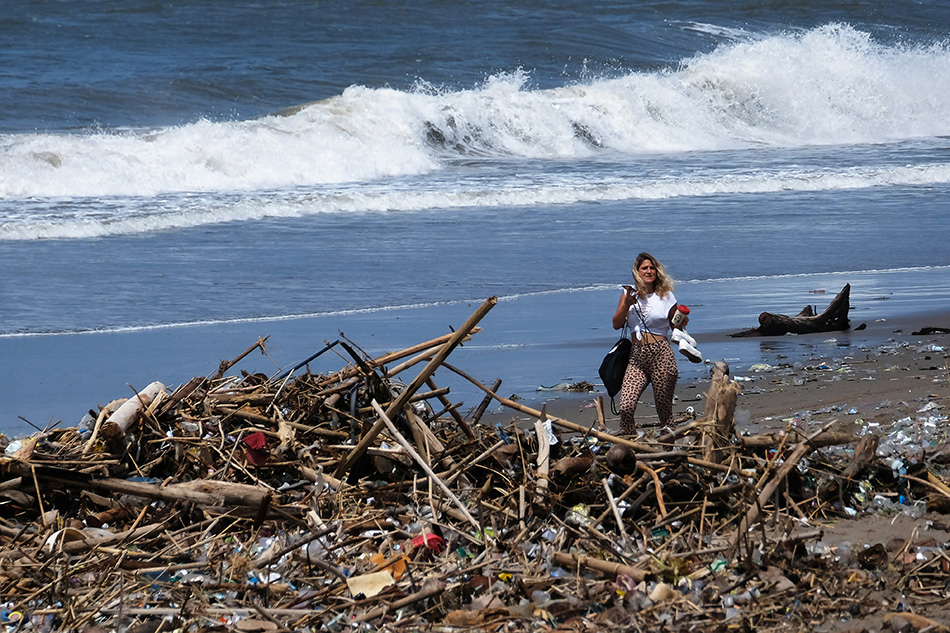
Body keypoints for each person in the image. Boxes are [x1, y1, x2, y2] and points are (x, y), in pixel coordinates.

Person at [611, 252, 686, 435]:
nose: (649, 271)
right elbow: (616, 324)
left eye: (652, 267)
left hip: (661, 355)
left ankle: (669, 454)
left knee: (664, 413)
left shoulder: (666, 296)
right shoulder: (628, 294)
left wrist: (682, 321)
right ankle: (629, 450)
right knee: (626, 406)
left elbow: (675, 324)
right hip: (637, 356)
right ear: (637, 271)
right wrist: (626, 304)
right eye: (644, 268)